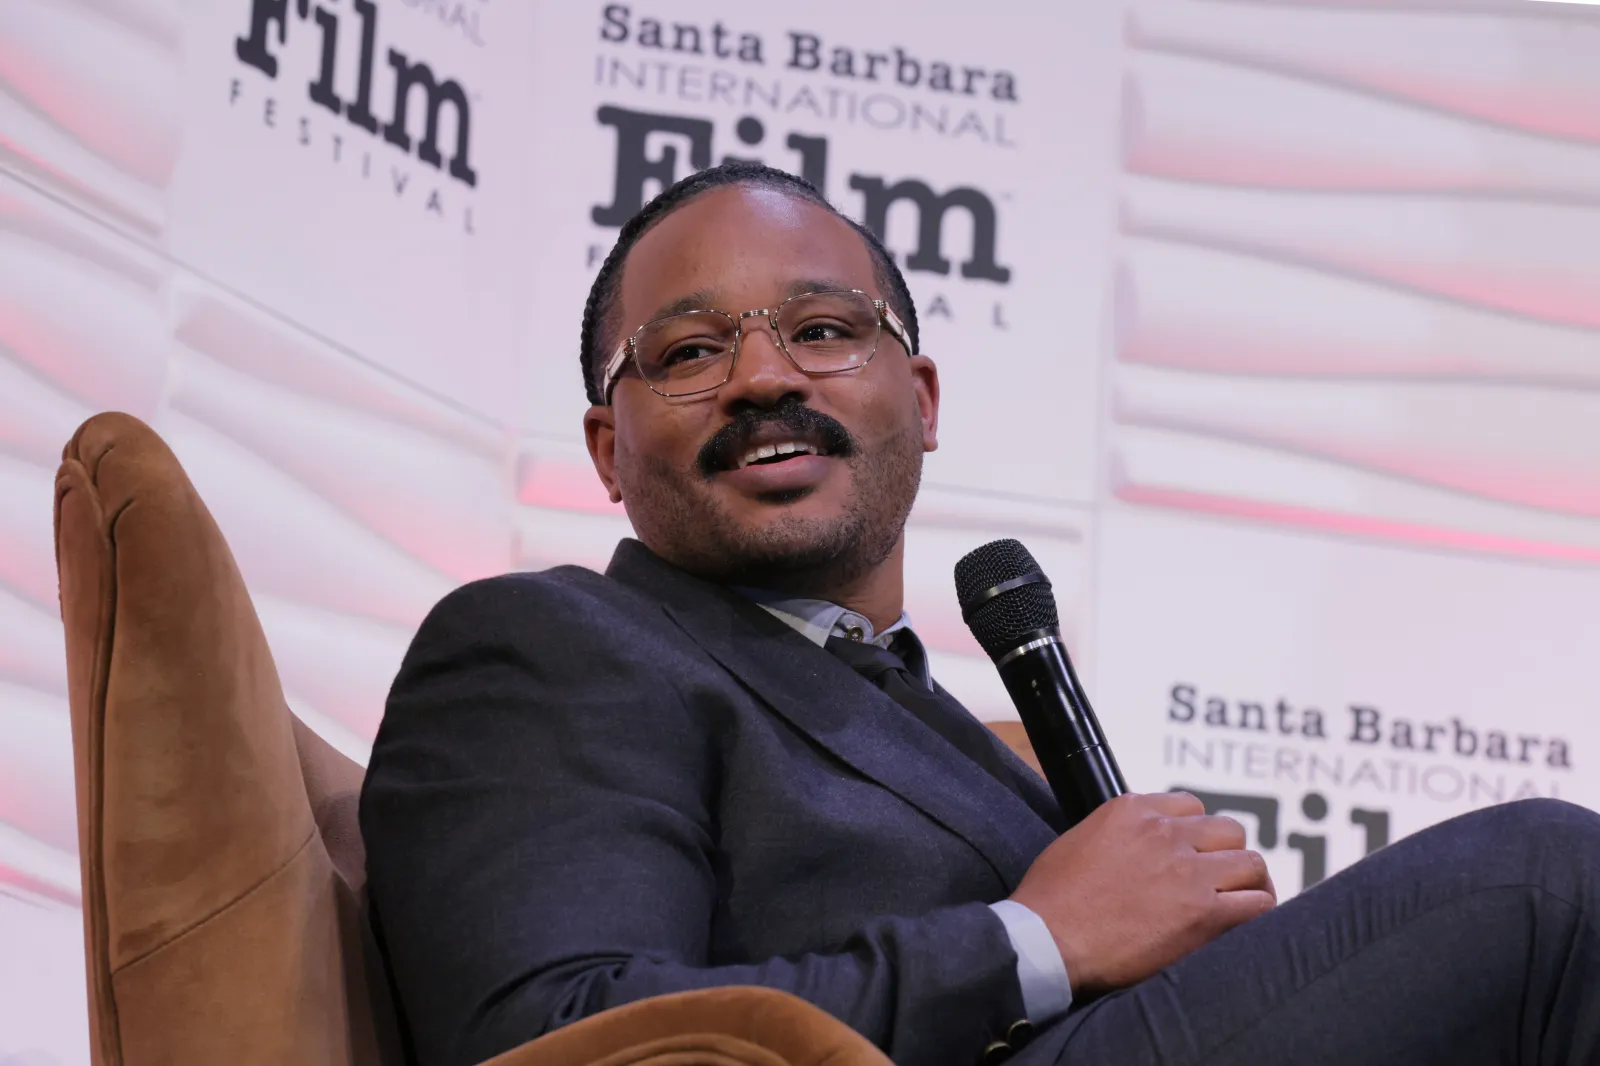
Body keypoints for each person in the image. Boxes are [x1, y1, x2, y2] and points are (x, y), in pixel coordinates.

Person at [359, 163, 1600, 1066]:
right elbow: (565, 1037)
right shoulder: (549, 646)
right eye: (687, 353)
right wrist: (1038, 939)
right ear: (605, 450)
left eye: (823, 330)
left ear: (922, 398)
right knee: (1539, 885)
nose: (764, 375)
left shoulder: (946, 721)